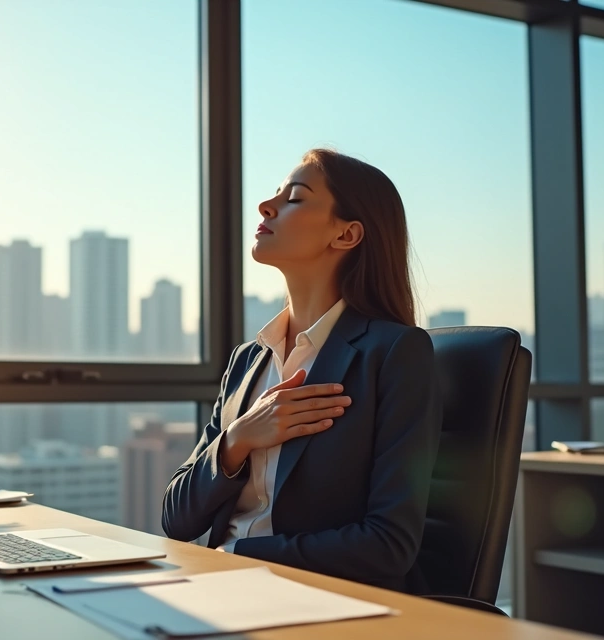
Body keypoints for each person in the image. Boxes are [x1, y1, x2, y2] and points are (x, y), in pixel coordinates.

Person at [161, 148, 440, 594]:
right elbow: (176, 520)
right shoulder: (247, 360)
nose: (265, 206)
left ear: (346, 235)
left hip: (316, 601)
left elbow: (389, 545)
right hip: (219, 588)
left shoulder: (393, 353)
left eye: (294, 198)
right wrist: (237, 440)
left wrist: (236, 558)